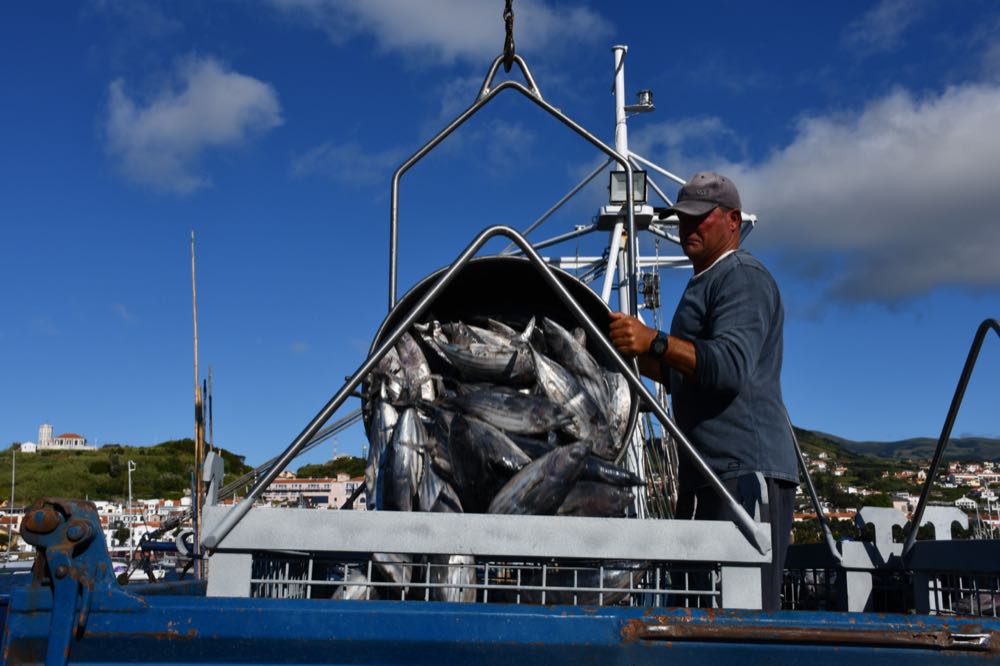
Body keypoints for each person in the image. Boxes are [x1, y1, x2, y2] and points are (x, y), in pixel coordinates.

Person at [608, 171, 798, 611]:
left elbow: (729, 366)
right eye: (681, 219)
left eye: (700, 218)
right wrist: (621, 351)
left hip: (743, 476)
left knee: (738, 621)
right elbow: (687, 373)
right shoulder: (705, 281)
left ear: (733, 220)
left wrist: (654, 340)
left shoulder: (741, 277)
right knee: (694, 612)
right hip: (707, 472)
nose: (687, 228)